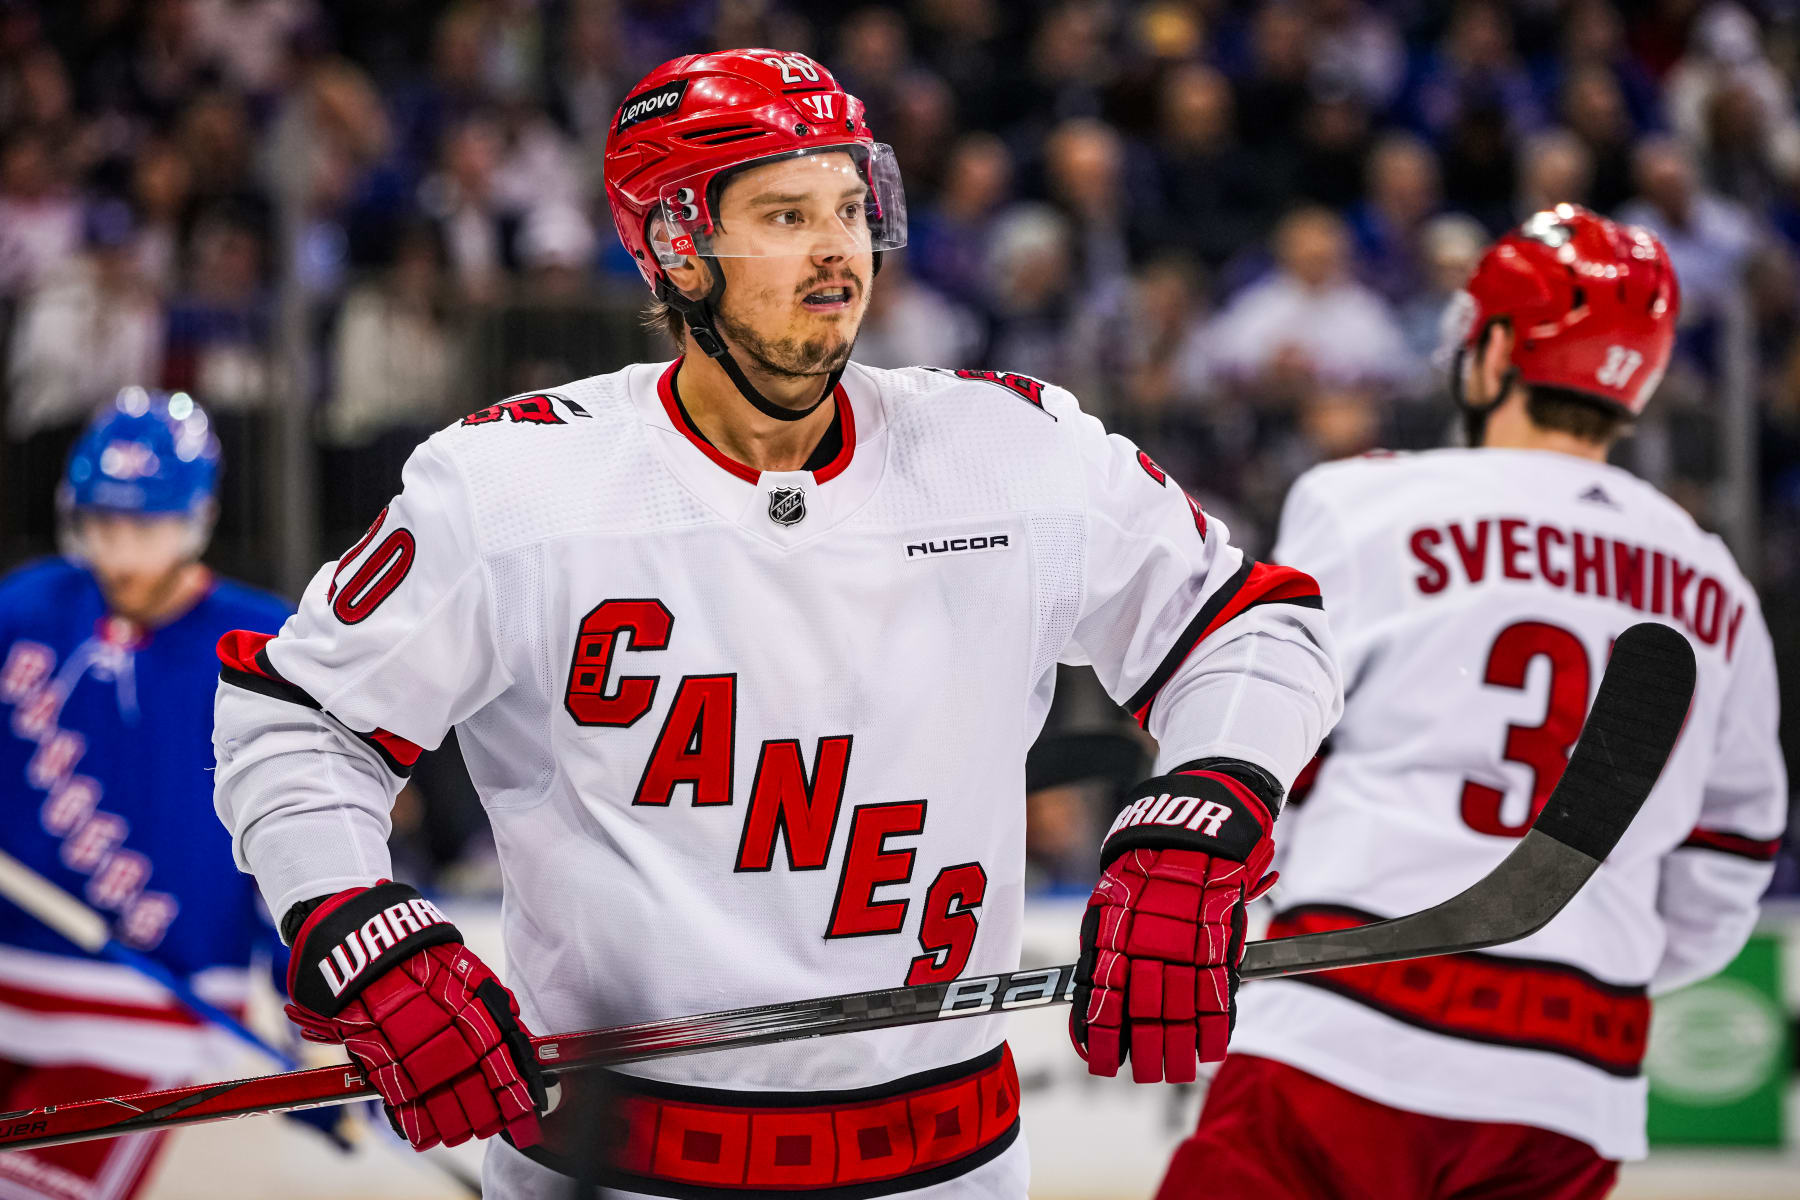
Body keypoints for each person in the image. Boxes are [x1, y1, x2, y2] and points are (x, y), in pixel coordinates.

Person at [210, 49, 1343, 1198]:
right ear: (673, 245)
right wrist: (361, 930)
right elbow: (299, 726)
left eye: (851, 207)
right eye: (787, 213)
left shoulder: (1010, 454)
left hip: (951, 1166)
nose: (839, 250)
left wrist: (1202, 817)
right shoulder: (514, 486)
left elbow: (1251, 629)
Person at [1157, 205, 1787, 1199]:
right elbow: (1730, 859)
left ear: (1493, 350)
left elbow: (1273, 737)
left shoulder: (1365, 504)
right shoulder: (1715, 584)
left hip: (1347, 1015)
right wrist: (1588, 960)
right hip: (1576, 1073)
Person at [0, 389, 294, 1200]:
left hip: (151, 1007)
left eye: (149, 527)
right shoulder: (24, 610)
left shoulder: (264, 644)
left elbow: (302, 833)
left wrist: (312, 1019)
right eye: (104, 525)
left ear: (196, 520)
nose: (123, 553)